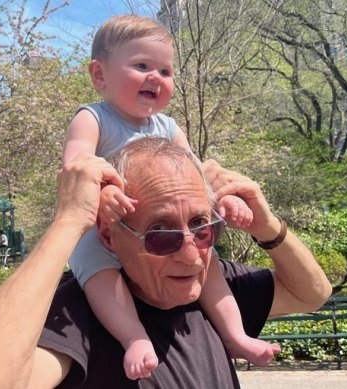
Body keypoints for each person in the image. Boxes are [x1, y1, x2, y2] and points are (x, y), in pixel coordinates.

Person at [0, 138, 332, 388]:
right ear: (111, 237)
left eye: (201, 225)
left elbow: (311, 293)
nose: (189, 252)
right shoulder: (77, 314)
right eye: (160, 232)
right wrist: (68, 221)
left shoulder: (210, 287)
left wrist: (268, 226)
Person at [63, 14, 279, 379]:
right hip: (104, 228)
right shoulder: (93, 118)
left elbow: (195, 177)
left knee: (205, 265)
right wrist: (101, 193)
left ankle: (236, 335)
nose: (156, 78)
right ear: (99, 75)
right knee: (99, 274)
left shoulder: (167, 126)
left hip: (164, 234)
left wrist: (224, 200)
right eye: (141, 65)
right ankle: (134, 338)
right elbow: (76, 167)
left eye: (165, 71)